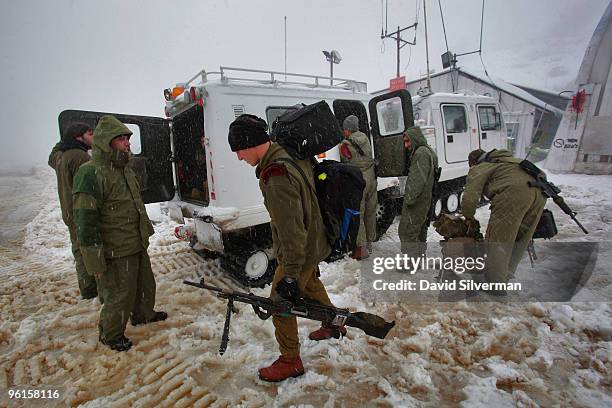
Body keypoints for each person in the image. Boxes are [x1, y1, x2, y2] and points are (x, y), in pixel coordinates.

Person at [227, 114, 344, 382]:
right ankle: (333, 322)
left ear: (251, 142)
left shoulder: (275, 174)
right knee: (312, 285)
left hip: (301, 248)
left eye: (239, 150)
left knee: (280, 304)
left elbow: (291, 231)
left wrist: (289, 275)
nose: (239, 157)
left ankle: (290, 361)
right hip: (315, 240)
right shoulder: (288, 153)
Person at [73, 115, 167, 352]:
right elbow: (85, 221)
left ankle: (144, 314)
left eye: (128, 138)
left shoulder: (125, 168)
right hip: (115, 248)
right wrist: (94, 260)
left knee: (145, 285)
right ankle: (111, 335)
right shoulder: (91, 172)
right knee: (119, 294)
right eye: (121, 138)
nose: (127, 143)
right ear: (106, 141)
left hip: (135, 241)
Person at [461, 149, 546, 284]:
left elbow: (470, 197)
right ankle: (505, 276)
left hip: (512, 197)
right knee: (519, 241)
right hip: (540, 195)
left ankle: (495, 283)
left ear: (474, 162)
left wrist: (468, 216)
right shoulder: (513, 162)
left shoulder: (482, 166)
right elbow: (542, 175)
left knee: (498, 241)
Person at [48, 122, 99, 299]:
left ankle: (87, 288)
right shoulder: (81, 157)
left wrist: (64, 140)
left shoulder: (60, 156)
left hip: (69, 213)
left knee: (79, 251)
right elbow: (91, 187)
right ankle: (93, 290)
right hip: (82, 212)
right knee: (90, 251)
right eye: (90, 133)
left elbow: (51, 156)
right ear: (79, 137)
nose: (94, 137)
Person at [339, 115, 377, 259]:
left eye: (344, 129)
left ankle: (361, 249)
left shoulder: (345, 145)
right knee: (370, 211)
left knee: (358, 213)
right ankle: (370, 242)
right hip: (371, 178)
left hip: (359, 181)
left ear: (347, 129)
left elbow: (344, 162)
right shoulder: (365, 138)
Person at [398, 126, 438, 254]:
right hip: (425, 198)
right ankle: (419, 257)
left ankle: (410, 262)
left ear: (415, 139)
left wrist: (409, 200)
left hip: (417, 200)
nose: (406, 145)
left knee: (408, 231)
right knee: (420, 229)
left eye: (408, 141)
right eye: (405, 142)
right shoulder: (428, 151)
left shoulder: (420, 153)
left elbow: (417, 180)